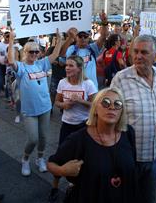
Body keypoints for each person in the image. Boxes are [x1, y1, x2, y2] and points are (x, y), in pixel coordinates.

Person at [111, 34, 156, 203]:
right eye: (136, 51)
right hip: (129, 158)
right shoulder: (121, 79)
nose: (138, 56)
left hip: (154, 155)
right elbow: (107, 115)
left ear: (155, 55)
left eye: (144, 52)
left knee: (148, 198)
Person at [47, 87, 137, 203]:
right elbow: (51, 163)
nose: (112, 107)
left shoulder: (128, 133)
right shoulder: (79, 138)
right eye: (105, 102)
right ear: (95, 109)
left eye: (118, 104)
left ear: (121, 111)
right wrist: (62, 170)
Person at [7, 30, 62, 176]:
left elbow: (55, 55)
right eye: (31, 51)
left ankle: (40, 158)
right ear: (25, 52)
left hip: (45, 107)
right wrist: (11, 40)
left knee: (44, 137)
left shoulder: (41, 64)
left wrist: (60, 39)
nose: (34, 54)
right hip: (30, 109)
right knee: (33, 138)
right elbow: (11, 61)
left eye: (36, 51)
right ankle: (25, 159)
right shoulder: (22, 67)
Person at [49, 55, 97, 202]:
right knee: (60, 156)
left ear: (79, 68)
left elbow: (96, 105)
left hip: (83, 126)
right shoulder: (63, 82)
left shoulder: (88, 84)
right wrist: (64, 105)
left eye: (71, 66)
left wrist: (81, 101)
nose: (67, 68)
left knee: (80, 157)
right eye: (66, 65)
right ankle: (55, 187)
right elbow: (57, 102)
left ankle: (74, 185)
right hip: (67, 125)